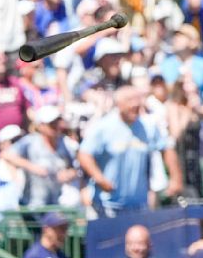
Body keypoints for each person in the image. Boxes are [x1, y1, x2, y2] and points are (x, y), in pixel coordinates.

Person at [78, 85, 182, 218]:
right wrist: (100, 178)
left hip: (138, 205)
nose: (135, 104)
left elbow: (166, 148)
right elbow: (84, 154)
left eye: (137, 100)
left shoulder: (147, 126)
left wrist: (176, 177)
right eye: (129, 100)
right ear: (119, 104)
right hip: (107, 205)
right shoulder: (103, 126)